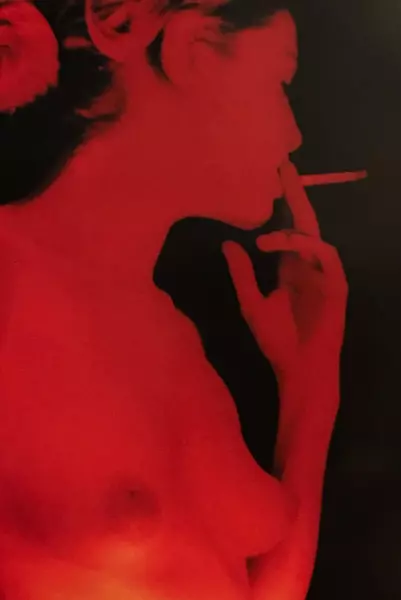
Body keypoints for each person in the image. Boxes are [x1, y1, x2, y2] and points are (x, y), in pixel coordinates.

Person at [0, 1, 347, 599]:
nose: (293, 134)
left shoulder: (169, 331)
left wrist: (312, 384)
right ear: (192, 50)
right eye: (279, 80)